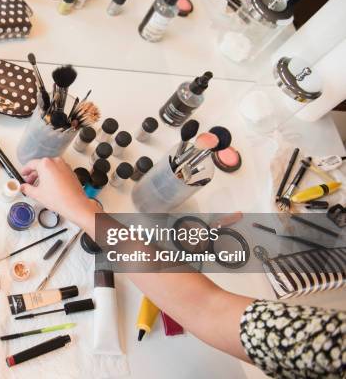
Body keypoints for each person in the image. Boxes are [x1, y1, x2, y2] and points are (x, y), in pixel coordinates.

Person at [19, 157, 345, 379]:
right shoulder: (329, 343)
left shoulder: (329, 347)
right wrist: (82, 212)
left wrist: (82, 211)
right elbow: (208, 309)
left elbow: (208, 309)